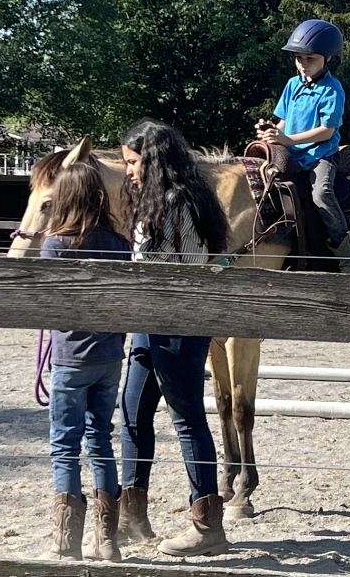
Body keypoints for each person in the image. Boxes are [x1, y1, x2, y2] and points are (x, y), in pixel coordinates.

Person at [119, 118, 230, 556]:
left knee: (186, 419)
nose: (128, 170)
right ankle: (131, 516)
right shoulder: (154, 199)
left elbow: (185, 270)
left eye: (132, 162)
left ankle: (207, 527)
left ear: (152, 159)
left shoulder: (177, 202)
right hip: (149, 323)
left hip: (179, 324)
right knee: (131, 413)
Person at [40, 162, 130, 562]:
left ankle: (67, 540)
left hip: (71, 357)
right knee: (100, 441)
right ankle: (106, 540)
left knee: (64, 444)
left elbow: (51, 307)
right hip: (109, 357)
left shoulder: (56, 245)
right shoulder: (118, 242)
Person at [256, 19, 350, 273]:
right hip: (291, 152)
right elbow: (283, 121)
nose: (303, 64)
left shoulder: (332, 89)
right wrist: (271, 133)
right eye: (299, 58)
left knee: (321, 194)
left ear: (327, 59)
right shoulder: (292, 85)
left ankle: (347, 256)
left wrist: (288, 140)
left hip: (320, 155)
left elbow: (327, 131)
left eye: (310, 58)